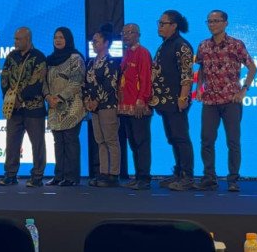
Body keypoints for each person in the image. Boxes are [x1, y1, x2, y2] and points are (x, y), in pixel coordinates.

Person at [195, 10, 257, 192]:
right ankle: (209, 178)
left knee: (233, 141)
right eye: (209, 21)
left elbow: (252, 68)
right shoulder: (203, 45)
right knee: (206, 140)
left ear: (225, 23)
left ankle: (233, 180)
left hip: (231, 100)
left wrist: (244, 89)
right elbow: (202, 69)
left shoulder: (236, 44)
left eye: (216, 21)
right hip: (210, 101)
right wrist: (199, 88)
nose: (212, 24)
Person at [152, 10, 195, 191]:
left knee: (181, 137)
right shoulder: (164, 45)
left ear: (174, 26)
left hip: (176, 100)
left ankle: (187, 176)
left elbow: (187, 75)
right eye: (159, 23)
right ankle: (178, 172)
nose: (159, 27)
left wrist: (183, 98)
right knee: (172, 138)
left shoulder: (181, 46)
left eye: (163, 23)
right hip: (164, 101)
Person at [0, 27, 47, 188]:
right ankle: (10, 174)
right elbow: (4, 79)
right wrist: (10, 98)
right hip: (14, 109)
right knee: (12, 142)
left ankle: (37, 176)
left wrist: (20, 98)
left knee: (37, 144)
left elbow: (37, 82)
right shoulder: (11, 56)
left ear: (28, 39)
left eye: (18, 39)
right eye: (15, 39)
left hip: (34, 108)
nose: (15, 42)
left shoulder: (38, 57)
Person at [43, 27, 86, 186]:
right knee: (58, 142)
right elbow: (43, 82)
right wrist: (48, 97)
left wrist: (60, 97)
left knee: (70, 140)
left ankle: (71, 177)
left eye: (61, 37)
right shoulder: (49, 60)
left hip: (72, 106)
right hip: (54, 106)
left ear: (68, 39)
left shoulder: (76, 58)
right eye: (56, 37)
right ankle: (59, 176)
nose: (58, 40)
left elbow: (76, 82)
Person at [83, 24, 121, 187]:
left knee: (111, 139)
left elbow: (109, 84)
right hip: (94, 108)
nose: (93, 44)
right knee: (100, 140)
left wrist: (96, 100)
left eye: (96, 41)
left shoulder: (111, 62)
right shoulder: (91, 63)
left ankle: (114, 174)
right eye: (93, 41)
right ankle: (103, 172)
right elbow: (86, 84)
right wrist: (87, 100)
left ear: (106, 43)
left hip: (107, 105)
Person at [118, 23, 153, 190]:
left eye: (129, 32)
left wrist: (142, 99)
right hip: (126, 106)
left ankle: (144, 178)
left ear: (138, 35)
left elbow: (146, 77)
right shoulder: (127, 53)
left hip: (138, 105)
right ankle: (138, 175)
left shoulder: (143, 53)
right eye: (123, 33)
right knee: (132, 142)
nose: (125, 36)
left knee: (141, 142)